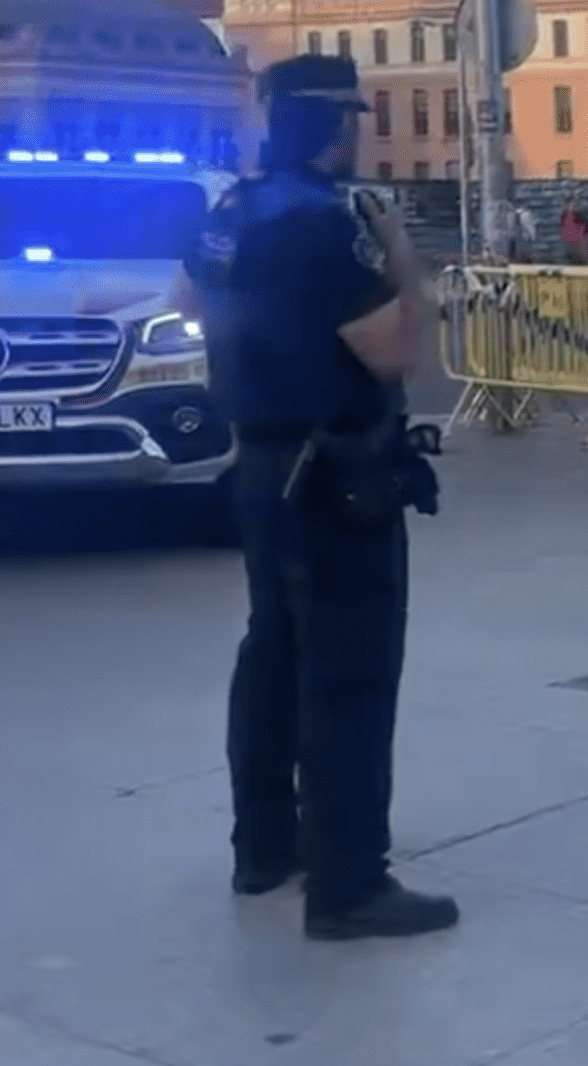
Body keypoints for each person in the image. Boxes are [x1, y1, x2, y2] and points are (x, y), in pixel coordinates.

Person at [179, 53, 458, 941]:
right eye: (357, 119)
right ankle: (349, 883)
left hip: (259, 462)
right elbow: (395, 352)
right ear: (338, 124)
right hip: (336, 472)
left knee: (273, 655)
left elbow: (189, 300)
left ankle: (264, 847)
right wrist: (405, 260)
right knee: (348, 673)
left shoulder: (232, 210)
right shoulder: (325, 222)